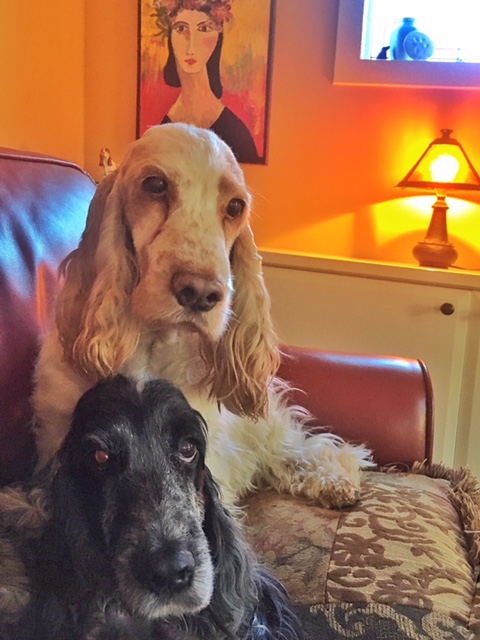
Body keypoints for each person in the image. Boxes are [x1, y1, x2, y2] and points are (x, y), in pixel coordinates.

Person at [153, 0, 261, 163]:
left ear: (218, 37)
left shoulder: (237, 135)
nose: (191, 48)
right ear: (171, 36)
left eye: (204, 29)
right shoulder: (163, 131)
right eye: (181, 28)